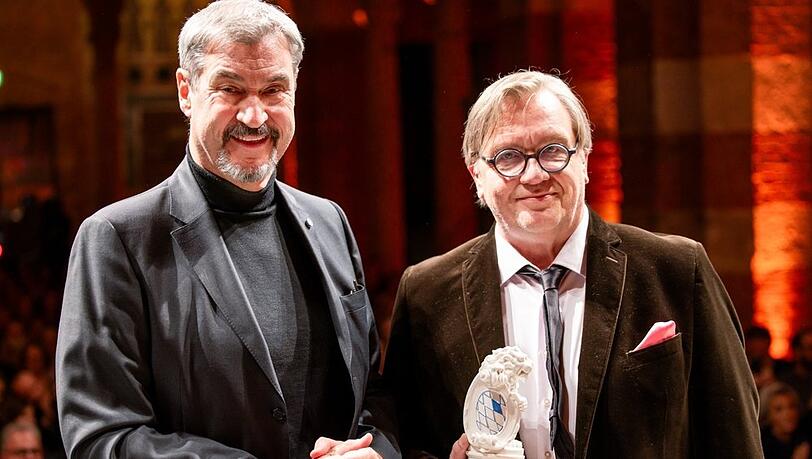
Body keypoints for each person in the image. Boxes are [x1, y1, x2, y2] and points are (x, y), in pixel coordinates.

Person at [55, 1, 396, 457]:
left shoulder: (329, 221)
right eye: (231, 90)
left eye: (274, 90)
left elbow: (371, 396)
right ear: (185, 90)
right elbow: (101, 436)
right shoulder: (117, 238)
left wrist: (376, 451)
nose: (254, 116)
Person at [379, 70, 762, 458]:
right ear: (476, 173)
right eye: (508, 157)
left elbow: (733, 438)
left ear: (584, 159)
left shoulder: (676, 269)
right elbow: (407, 441)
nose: (534, 175)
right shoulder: (426, 292)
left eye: (553, 150)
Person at [759, 383, 810, 459]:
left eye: (792, 406)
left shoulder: (805, 435)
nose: (788, 414)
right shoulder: (761, 446)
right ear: (768, 415)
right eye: (778, 409)